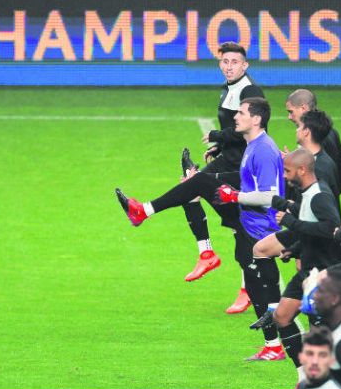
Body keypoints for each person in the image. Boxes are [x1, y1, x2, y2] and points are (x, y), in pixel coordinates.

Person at [116, 97, 285, 361]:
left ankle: (144, 212)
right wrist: (217, 181)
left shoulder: (263, 150)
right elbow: (242, 180)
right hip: (247, 219)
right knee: (251, 279)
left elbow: (270, 195)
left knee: (259, 282)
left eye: (240, 113)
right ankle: (273, 345)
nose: (235, 117)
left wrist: (234, 196)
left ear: (256, 119)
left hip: (260, 226)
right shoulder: (253, 145)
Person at [249, 148, 341, 389]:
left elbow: (331, 229)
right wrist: (293, 250)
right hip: (306, 270)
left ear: (302, 170)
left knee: (323, 335)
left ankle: (325, 388)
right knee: (281, 317)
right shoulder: (306, 195)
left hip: (324, 274)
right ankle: (303, 378)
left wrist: (292, 223)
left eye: (289, 171)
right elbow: (311, 235)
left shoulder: (319, 196)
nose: (286, 177)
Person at [182, 41, 264, 314]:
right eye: (225, 62)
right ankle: (206, 253)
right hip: (229, 159)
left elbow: (251, 127)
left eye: (234, 62)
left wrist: (218, 136)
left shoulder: (249, 91)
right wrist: (219, 146)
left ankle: (246, 289)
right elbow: (234, 131)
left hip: (244, 167)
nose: (229, 66)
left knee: (244, 227)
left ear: (245, 65)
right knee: (189, 190)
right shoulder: (228, 90)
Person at [285, 89, 341, 191]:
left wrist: (331, 192)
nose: (289, 117)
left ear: (303, 108)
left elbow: (332, 167)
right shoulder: (331, 132)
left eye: (290, 111)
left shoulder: (318, 138)